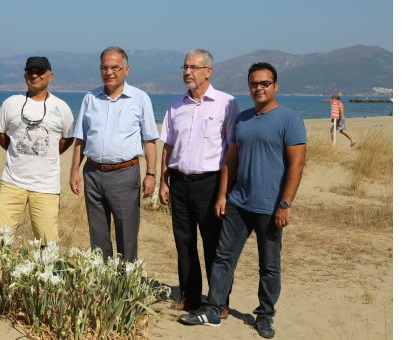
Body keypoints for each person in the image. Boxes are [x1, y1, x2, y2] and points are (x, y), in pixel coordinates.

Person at [179, 62, 307, 339]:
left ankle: (265, 316)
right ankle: (214, 309)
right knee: (223, 259)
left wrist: (285, 204)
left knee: (269, 265)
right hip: (238, 203)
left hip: (270, 207)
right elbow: (231, 160)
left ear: (275, 86)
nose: (258, 88)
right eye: (253, 84)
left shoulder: (289, 119)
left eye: (264, 83)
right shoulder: (243, 118)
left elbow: (297, 164)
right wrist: (223, 194)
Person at [158, 49, 239, 316]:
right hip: (179, 182)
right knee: (184, 243)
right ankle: (191, 297)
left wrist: (224, 192)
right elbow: (168, 145)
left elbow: (231, 149)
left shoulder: (226, 103)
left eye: (193, 67)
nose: (187, 72)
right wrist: (163, 180)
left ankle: (219, 301)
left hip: (211, 183)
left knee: (214, 244)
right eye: (185, 67)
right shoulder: (175, 104)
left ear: (208, 71)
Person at [69, 46, 159, 262]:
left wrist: (151, 174)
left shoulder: (140, 99)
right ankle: (104, 284)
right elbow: (80, 138)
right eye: (104, 67)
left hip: (124, 175)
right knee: (97, 235)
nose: (109, 72)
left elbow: (149, 140)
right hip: (92, 172)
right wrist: (74, 171)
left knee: (126, 235)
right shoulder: (90, 98)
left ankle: (125, 285)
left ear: (126, 70)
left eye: (115, 67)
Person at [0, 56, 74, 243]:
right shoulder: (11, 102)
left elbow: (68, 137)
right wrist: (16, 148)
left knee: (48, 244)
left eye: (40, 71)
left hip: (46, 187)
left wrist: (47, 151)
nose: (35, 75)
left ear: (50, 76)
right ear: (25, 75)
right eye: (30, 71)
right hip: (12, 183)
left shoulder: (61, 107)